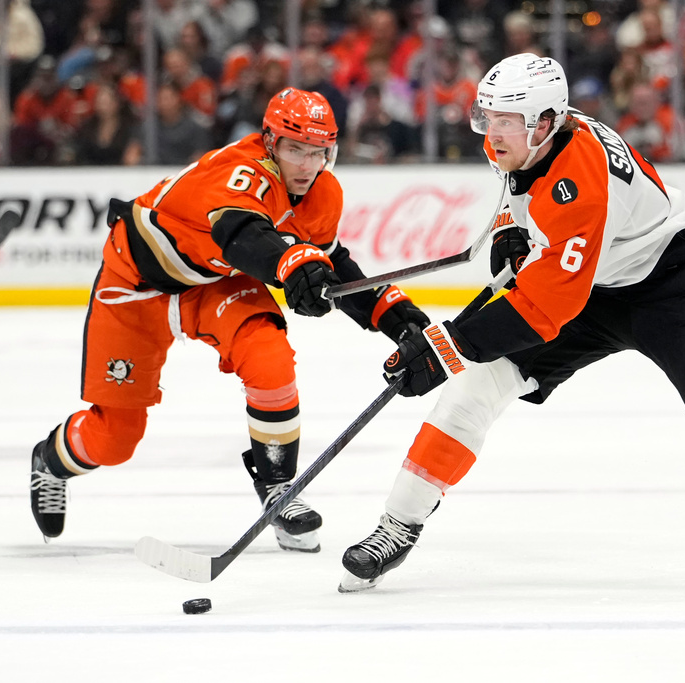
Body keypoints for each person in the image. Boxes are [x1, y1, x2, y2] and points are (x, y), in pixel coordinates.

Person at [338, 54, 685, 595]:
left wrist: (447, 347)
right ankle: (397, 525)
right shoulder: (537, 140)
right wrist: (515, 229)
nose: (493, 133)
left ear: (544, 122)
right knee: (473, 392)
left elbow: (547, 308)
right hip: (589, 278)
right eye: (487, 118)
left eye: (506, 121)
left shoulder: (578, 179)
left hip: (666, 283)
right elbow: (531, 206)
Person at [28, 88, 430, 554]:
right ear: (269, 143)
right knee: (115, 439)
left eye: (317, 152)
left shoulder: (322, 193)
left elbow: (336, 265)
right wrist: (292, 264)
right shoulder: (240, 171)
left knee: (270, 356)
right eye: (294, 149)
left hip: (211, 283)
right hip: (135, 284)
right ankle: (50, 459)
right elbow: (240, 234)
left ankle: (279, 490)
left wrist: (397, 317)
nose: (306, 164)